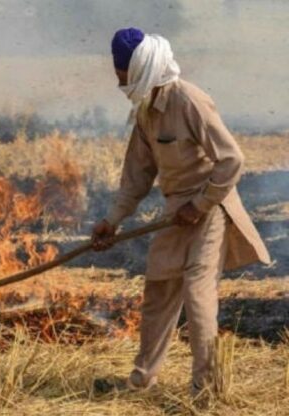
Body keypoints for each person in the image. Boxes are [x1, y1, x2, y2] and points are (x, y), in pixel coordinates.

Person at [92, 28, 270, 395]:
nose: (118, 80)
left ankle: (206, 390)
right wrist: (111, 221)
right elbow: (136, 178)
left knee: (198, 294)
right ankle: (141, 381)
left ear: (141, 68)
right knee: (159, 290)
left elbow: (232, 160)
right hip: (175, 210)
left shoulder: (189, 100)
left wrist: (201, 203)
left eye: (121, 71)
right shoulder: (145, 112)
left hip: (211, 208)